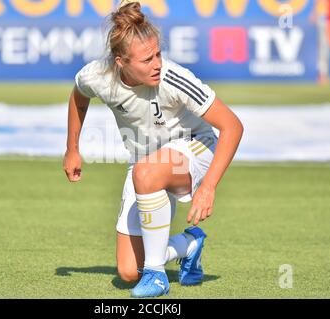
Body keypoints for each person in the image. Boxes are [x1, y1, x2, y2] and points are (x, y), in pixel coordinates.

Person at [63, 1, 243, 298]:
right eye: (147, 59)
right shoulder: (97, 76)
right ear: (120, 62)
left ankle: (157, 277)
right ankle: (189, 245)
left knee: (147, 172)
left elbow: (232, 126)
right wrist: (72, 148)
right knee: (128, 272)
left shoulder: (174, 78)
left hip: (195, 146)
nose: (157, 63)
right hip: (145, 163)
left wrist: (209, 186)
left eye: (158, 53)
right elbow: (78, 96)